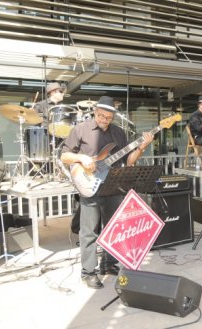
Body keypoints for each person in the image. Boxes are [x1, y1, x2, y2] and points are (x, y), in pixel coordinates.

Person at [60, 96, 154, 288]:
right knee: (89, 231)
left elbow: (129, 160)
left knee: (113, 228)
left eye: (109, 117)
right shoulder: (81, 129)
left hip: (112, 184)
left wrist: (142, 147)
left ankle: (109, 264)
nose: (104, 120)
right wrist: (81, 158)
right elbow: (64, 155)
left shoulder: (118, 133)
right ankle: (88, 272)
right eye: (101, 116)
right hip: (88, 184)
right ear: (95, 112)